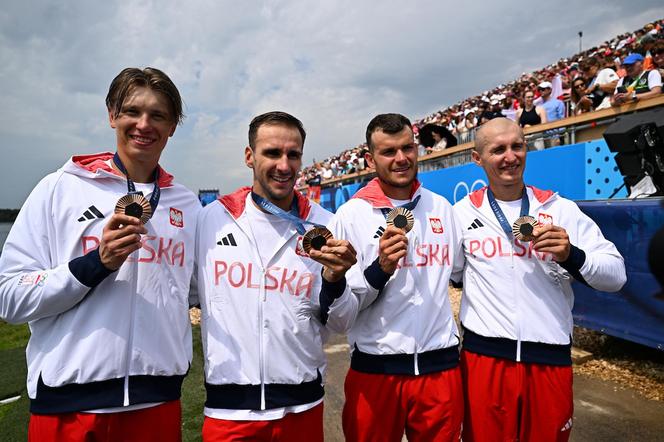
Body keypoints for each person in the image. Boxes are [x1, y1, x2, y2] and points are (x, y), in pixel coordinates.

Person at [0, 67, 200, 441]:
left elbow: (196, 290)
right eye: (132, 111)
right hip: (68, 409)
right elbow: (9, 297)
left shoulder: (188, 205)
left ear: (172, 126)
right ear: (112, 115)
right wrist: (96, 264)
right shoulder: (59, 188)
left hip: (157, 405)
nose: (144, 124)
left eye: (158, 115)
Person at [453, 118, 626, 442]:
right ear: (477, 158)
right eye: (498, 149)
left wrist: (572, 255)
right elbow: (452, 273)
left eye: (517, 146)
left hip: (549, 361)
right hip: (484, 362)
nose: (510, 156)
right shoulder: (460, 214)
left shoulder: (560, 209)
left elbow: (616, 275)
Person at [195, 111, 357, 442]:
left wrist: (335, 281)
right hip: (230, 412)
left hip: (302, 407)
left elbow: (342, 323)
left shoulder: (325, 224)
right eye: (272, 153)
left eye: (293, 154)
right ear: (249, 156)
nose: (284, 165)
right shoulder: (212, 220)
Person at [331, 113, 464, 441]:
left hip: (440, 369)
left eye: (407, 148)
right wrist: (379, 270)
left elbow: (462, 273)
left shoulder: (442, 208)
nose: (401, 158)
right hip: (377, 371)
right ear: (370, 158)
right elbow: (340, 310)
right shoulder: (351, 215)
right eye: (389, 152)